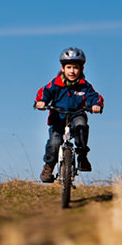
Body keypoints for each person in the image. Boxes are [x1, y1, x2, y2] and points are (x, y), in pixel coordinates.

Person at [34, 47, 104, 183]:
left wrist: (96, 105)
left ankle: (82, 156)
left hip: (76, 114)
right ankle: (48, 167)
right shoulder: (56, 83)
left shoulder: (85, 86)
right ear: (63, 68)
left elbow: (94, 97)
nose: (72, 71)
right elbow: (44, 92)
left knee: (81, 126)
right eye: (69, 67)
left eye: (76, 68)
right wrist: (41, 102)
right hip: (58, 117)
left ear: (81, 69)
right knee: (54, 142)